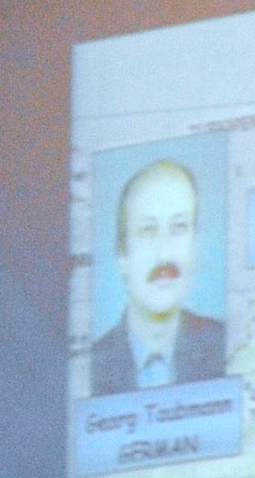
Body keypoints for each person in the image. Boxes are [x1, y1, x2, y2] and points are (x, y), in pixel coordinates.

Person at [87, 160, 226, 396]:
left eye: (179, 227)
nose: (165, 254)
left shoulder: (228, 348)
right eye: (148, 230)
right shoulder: (90, 369)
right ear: (122, 255)